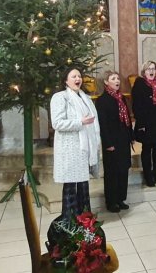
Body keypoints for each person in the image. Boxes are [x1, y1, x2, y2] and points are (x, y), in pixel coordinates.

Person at [50, 68, 100, 221]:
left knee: (83, 186)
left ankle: (86, 222)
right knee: (71, 186)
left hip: (84, 150)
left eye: (79, 76)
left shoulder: (85, 97)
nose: (78, 78)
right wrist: (80, 122)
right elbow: (57, 123)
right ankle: (70, 221)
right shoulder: (60, 97)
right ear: (66, 80)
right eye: (73, 76)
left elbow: (93, 121)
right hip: (70, 149)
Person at [95, 71, 133, 213]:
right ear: (106, 82)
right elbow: (102, 124)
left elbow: (127, 118)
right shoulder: (102, 100)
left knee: (123, 170)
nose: (117, 81)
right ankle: (111, 202)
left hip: (123, 139)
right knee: (112, 172)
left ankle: (120, 199)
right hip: (111, 141)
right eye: (113, 78)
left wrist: (130, 136)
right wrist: (108, 143)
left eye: (118, 78)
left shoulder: (121, 97)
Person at [131, 61, 156, 187]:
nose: (151, 71)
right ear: (144, 71)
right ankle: (148, 177)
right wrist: (141, 123)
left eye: (153, 68)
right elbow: (136, 105)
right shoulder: (139, 83)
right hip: (146, 121)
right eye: (148, 69)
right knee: (147, 149)